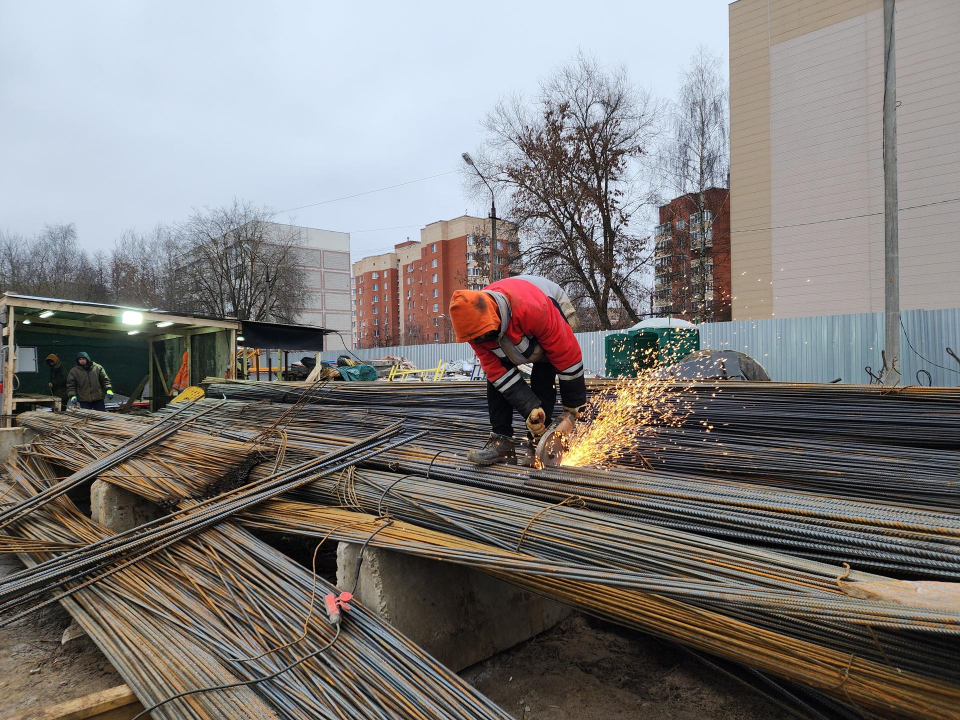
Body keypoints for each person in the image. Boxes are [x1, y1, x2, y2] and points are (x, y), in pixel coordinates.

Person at [448, 275, 587, 466]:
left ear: (494, 316)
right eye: (478, 339)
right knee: (495, 379)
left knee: (543, 372)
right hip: (517, 323)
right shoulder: (474, 329)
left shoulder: (534, 308)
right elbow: (499, 374)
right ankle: (502, 441)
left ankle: (537, 443)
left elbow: (566, 355)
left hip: (551, 306)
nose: (482, 341)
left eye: (486, 335)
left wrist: (572, 408)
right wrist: (531, 409)